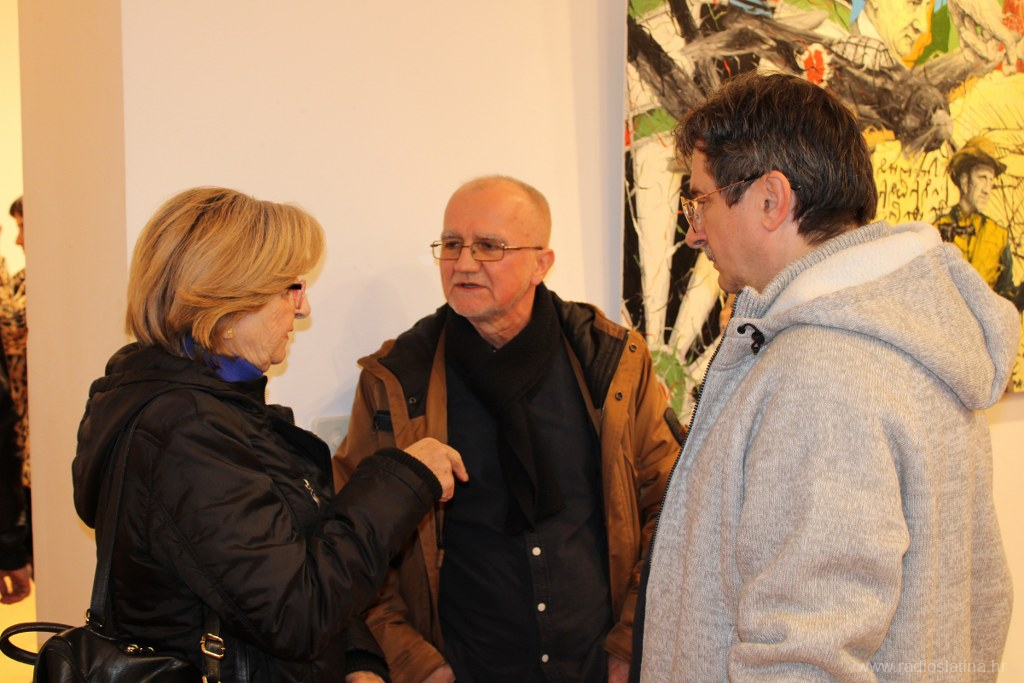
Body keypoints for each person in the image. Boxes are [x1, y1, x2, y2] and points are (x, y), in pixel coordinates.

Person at [631, 71, 1018, 681]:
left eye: (701, 200)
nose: (694, 231)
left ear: (771, 199)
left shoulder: (821, 372)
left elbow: (803, 658)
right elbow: (983, 599)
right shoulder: (905, 339)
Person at [71, 187, 467, 682]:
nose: (303, 309)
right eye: (291, 288)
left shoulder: (217, 413)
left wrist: (356, 658)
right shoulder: (185, 432)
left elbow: (292, 565)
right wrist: (403, 480)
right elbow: (294, 613)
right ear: (229, 299)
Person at [333, 175, 683, 683]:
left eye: (489, 246)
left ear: (542, 263)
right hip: (464, 668)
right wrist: (416, 663)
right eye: (452, 244)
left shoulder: (612, 363)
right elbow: (354, 537)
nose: (464, 263)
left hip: (595, 667)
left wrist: (631, 643)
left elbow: (672, 507)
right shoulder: (397, 380)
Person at [935, 136, 1020, 306]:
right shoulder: (936, 230)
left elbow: (1007, 299)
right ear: (964, 180)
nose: (987, 189)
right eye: (982, 178)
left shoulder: (999, 235)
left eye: (991, 180)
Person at [0, 196, 29, 605]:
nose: (19, 239)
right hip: (17, 437)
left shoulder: (26, 282)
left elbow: (13, 325)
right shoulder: (18, 281)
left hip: (24, 437)